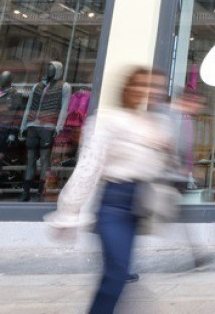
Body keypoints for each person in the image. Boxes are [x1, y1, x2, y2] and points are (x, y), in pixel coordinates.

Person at [45, 66, 175, 314]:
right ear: (126, 87)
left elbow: (155, 169)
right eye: (139, 85)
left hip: (139, 203)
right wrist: (69, 211)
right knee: (116, 273)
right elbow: (88, 167)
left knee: (122, 271)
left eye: (152, 87)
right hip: (114, 202)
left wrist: (162, 149)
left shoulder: (154, 123)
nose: (145, 91)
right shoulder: (106, 120)